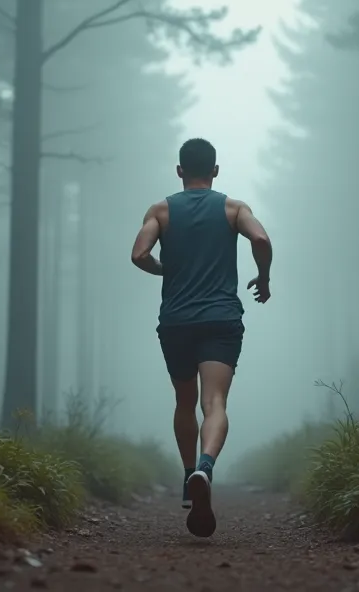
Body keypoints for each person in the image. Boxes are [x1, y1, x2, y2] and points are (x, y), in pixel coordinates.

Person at [129, 137, 273, 538]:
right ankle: (205, 468)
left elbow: (139, 253)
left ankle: (188, 474)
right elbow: (260, 239)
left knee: (185, 401)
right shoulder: (233, 208)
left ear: (179, 171)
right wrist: (263, 277)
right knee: (215, 402)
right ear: (215, 171)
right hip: (221, 320)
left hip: (176, 321)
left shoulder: (161, 210)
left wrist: (165, 271)